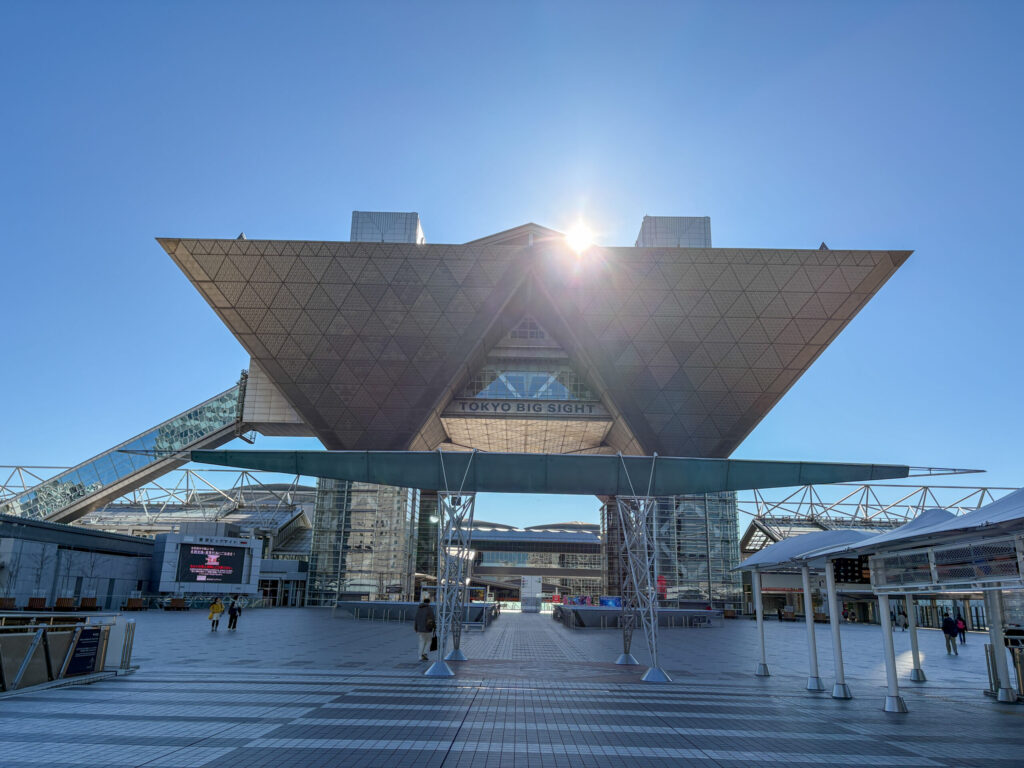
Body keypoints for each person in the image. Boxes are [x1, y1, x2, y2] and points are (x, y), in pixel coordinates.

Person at [414, 596, 436, 661]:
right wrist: (434, 627)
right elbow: (432, 618)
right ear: (429, 603)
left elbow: (416, 618)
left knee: (421, 641)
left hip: (420, 629)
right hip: (427, 628)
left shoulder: (419, 608)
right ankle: (425, 653)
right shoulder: (429, 608)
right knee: (429, 641)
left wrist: (416, 627)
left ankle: (420, 656)